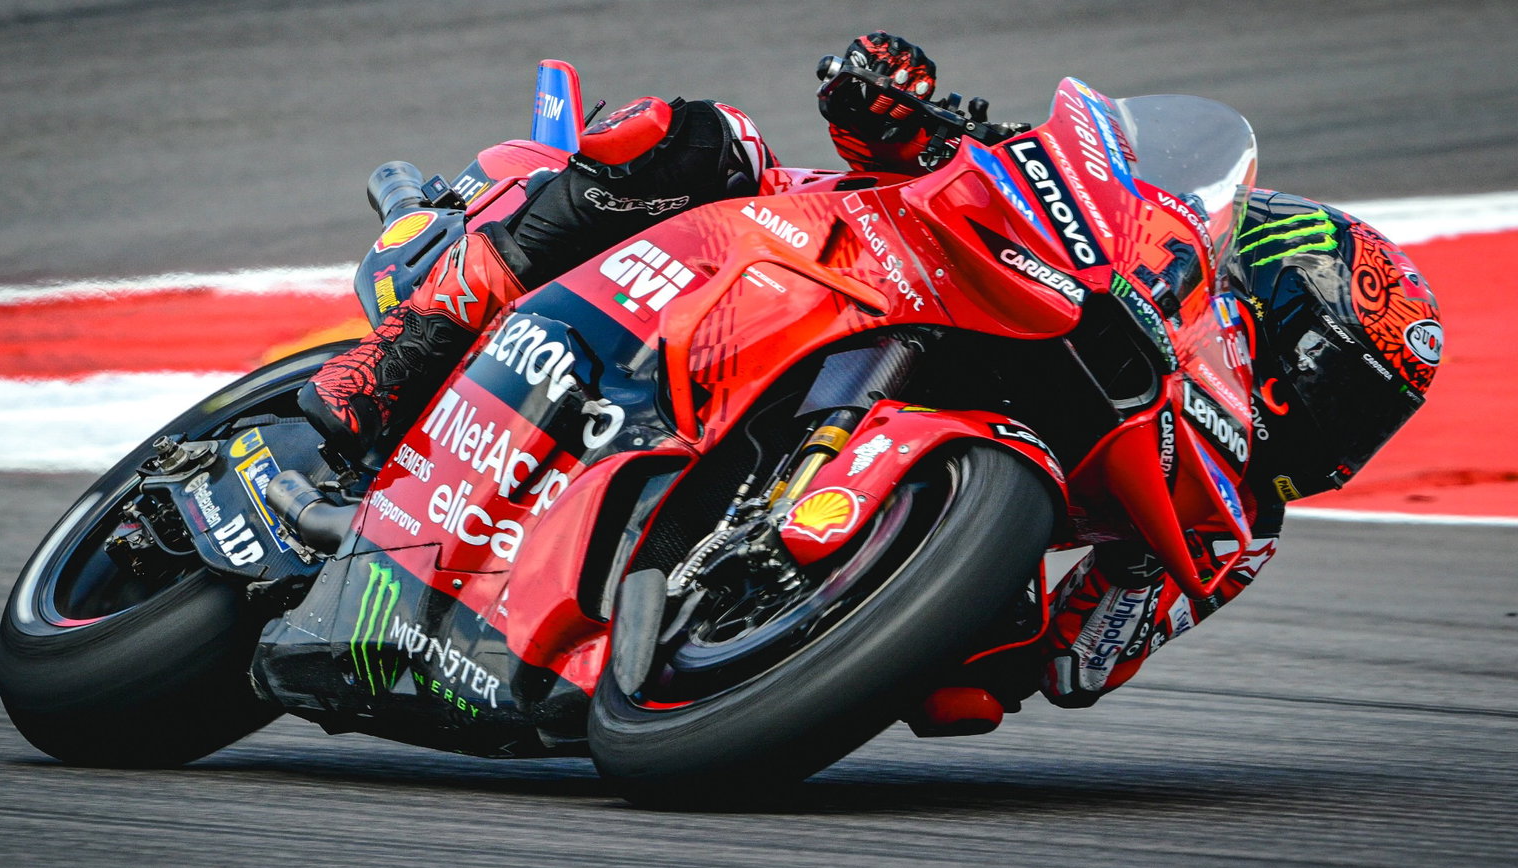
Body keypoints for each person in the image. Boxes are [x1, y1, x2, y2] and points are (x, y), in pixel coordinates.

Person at [299, 33, 1443, 734]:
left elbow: (1076, 663)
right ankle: (388, 368)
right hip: (786, 253)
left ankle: (700, 607)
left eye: (1369, 417)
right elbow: (935, 165)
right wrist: (892, 104)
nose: (1340, 435)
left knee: (961, 690)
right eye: (1341, 389)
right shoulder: (1137, 255)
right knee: (677, 139)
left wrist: (960, 625)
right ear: (1264, 303)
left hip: (907, 494)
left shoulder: (1227, 532)